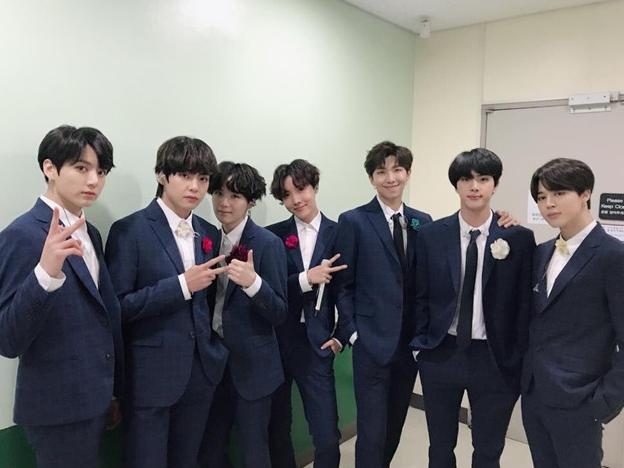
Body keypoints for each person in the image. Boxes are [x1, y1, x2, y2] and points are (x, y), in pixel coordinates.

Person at [0, 125, 123, 468]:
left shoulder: (90, 232)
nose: (93, 180)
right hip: (56, 407)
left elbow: (102, 316)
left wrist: (112, 390)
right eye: (81, 168)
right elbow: (8, 339)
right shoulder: (22, 235)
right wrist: (45, 272)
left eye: (101, 171)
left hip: (95, 398)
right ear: (50, 168)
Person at [105, 136, 228, 467]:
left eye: (203, 178)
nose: (195, 187)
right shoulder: (129, 230)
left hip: (201, 373)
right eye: (185, 175)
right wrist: (181, 286)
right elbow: (118, 307)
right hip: (149, 377)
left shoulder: (209, 232)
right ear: (161, 175)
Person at [410, 148, 535, 468]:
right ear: (456, 185)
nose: (475, 186)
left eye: (484, 179)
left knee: (488, 449)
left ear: (495, 184)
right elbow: (419, 294)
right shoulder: (431, 235)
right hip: (441, 353)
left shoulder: (518, 238)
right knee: (440, 447)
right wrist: (421, 346)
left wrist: (519, 355)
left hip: (494, 358)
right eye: (466, 179)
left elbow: (524, 304)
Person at [332, 141, 433, 468]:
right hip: (371, 344)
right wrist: (353, 332)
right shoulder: (354, 221)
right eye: (381, 172)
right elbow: (342, 285)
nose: (390, 178)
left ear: (408, 173)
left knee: (394, 427)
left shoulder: (422, 221)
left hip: (409, 345)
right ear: (371, 178)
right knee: (372, 432)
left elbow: (425, 282)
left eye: (397, 170)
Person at [521, 158, 624, 468]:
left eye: (558, 193)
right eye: (541, 197)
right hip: (535, 394)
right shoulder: (542, 252)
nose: (548, 204)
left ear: (585, 193)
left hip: (581, 399)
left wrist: (605, 401)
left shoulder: (613, 255)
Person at [199, 161, 288, 468]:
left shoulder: (267, 244)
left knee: (253, 449)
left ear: (250, 201)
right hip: (212, 363)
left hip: (254, 369)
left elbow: (279, 312)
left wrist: (253, 284)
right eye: (219, 193)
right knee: (210, 449)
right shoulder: (205, 239)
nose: (224, 203)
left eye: (235, 196)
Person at [266, 159, 346, 468]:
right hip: (277, 342)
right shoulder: (273, 236)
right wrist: (305, 278)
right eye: (287, 195)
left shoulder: (340, 233)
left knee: (326, 434)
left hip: (317, 344)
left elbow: (352, 290)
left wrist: (340, 337)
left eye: (301, 190)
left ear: (314, 187)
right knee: (277, 426)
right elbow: (269, 289)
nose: (296, 200)